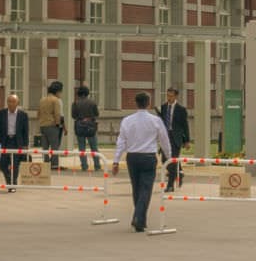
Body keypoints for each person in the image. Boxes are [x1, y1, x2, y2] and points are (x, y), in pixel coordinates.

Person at [111, 91, 173, 232]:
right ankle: (138, 218)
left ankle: (140, 220)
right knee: (146, 189)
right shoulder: (155, 120)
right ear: (148, 103)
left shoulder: (127, 120)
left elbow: (121, 141)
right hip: (148, 157)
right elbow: (164, 140)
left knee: (136, 188)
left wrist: (116, 161)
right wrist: (169, 158)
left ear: (135, 103)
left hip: (132, 157)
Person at [0, 91, 30, 186]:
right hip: (5, 140)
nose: (10, 104)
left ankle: (13, 183)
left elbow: (26, 131)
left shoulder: (23, 115)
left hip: (17, 141)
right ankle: (9, 179)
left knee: (15, 164)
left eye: (13, 102)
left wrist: (25, 145)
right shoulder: (1, 113)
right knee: (2, 164)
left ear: (18, 103)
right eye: (9, 101)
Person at [159, 88, 191, 191]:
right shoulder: (163, 107)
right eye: (167, 95)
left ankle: (170, 185)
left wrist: (187, 141)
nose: (169, 98)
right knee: (164, 159)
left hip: (176, 138)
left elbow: (185, 126)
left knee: (172, 160)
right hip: (165, 137)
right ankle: (179, 173)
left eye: (171, 96)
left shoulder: (181, 109)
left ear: (176, 96)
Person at [71, 85, 102, 173]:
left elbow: (73, 116)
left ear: (79, 94)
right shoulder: (92, 103)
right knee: (94, 147)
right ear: (87, 93)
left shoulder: (75, 103)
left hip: (80, 126)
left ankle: (84, 166)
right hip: (90, 126)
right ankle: (97, 166)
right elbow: (97, 114)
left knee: (81, 147)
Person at [37, 80, 65, 170]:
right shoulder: (55, 100)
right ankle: (54, 164)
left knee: (45, 146)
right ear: (57, 92)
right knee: (54, 146)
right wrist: (58, 124)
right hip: (52, 125)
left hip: (43, 125)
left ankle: (45, 163)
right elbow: (57, 114)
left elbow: (38, 113)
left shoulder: (42, 100)